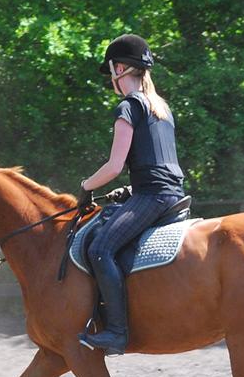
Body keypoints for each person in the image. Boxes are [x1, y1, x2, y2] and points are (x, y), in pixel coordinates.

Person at [77, 34, 185, 355]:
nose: (111, 77)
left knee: (100, 249)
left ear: (121, 68)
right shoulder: (160, 106)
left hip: (153, 197)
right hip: (170, 192)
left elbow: (114, 165)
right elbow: (156, 160)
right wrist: (129, 189)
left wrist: (86, 186)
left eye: (112, 70)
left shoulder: (128, 107)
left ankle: (116, 331)